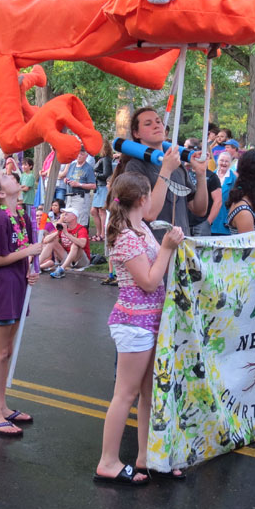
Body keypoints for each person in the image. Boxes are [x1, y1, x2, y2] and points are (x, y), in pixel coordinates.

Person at [94, 172, 184, 485]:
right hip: (133, 322)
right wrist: (167, 248)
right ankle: (108, 461)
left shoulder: (140, 227)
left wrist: (170, 247)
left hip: (150, 320)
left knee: (148, 394)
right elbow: (148, 281)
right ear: (143, 199)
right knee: (126, 394)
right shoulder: (124, 235)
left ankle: (146, 457)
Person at [0, 169, 55, 437]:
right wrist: (28, 251)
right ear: (0, 193)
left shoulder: (21, 214)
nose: (12, 176)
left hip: (19, 285)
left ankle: (2, 406)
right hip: (3, 289)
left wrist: (31, 265)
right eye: (6, 177)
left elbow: (22, 251)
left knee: (8, 350)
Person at [119, 107, 208, 241]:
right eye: (148, 124)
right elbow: (149, 214)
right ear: (136, 133)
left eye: (158, 122)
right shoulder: (135, 166)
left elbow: (199, 209)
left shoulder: (178, 164)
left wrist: (201, 174)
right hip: (155, 248)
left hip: (182, 246)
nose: (156, 126)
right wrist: (166, 169)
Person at [184, 137, 221, 236]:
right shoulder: (181, 173)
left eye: (185, 147)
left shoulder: (211, 176)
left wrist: (208, 222)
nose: (182, 150)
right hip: (183, 223)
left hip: (200, 224)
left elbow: (218, 201)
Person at [42, 206, 91, 277]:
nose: (63, 216)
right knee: (52, 242)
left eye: (66, 214)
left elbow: (82, 244)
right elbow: (45, 240)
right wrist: (57, 232)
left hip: (81, 260)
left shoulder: (81, 229)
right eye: (64, 214)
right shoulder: (63, 227)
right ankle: (36, 266)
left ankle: (61, 269)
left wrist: (67, 234)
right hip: (68, 258)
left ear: (74, 217)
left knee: (75, 245)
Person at [63, 147, 96, 227]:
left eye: (82, 154)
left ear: (86, 156)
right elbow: (68, 177)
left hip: (81, 197)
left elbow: (93, 186)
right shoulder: (72, 165)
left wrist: (79, 184)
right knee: (68, 218)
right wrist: (66, 180)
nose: (79, 156)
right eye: (78, 153)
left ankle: (81, 237)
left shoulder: (88, 168)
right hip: (70, 195)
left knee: (80, 220)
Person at [210, 151, 238, 236]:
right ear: (217, 161)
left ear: (230, 163)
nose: (224, 163)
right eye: (221, 160)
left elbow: (236, 200)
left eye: (226, 161)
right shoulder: (211, 176)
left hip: (225, 221)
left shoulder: (234, 179)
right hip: (211, 220)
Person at [90, 146, 114, 241]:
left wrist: (96, 175)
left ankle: (103, 235)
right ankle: (98, 233)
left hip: (103, 186)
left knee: (102, 210)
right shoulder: (103, 159)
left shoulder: (106, 159)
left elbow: (106, 174)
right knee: (93, 211)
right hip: (99, 187)